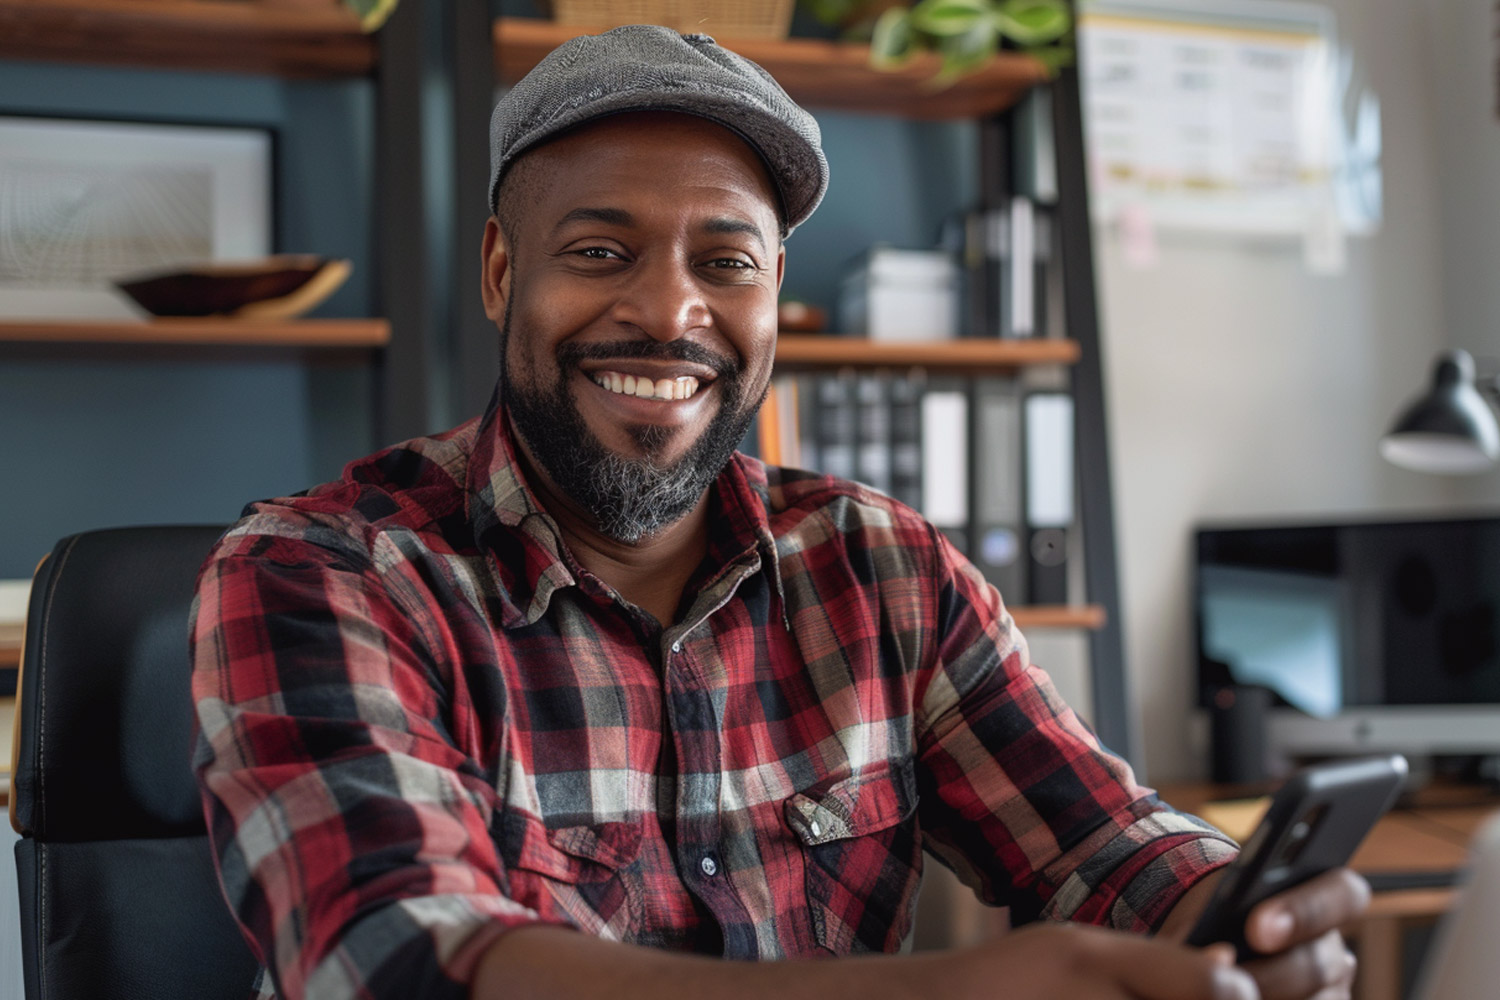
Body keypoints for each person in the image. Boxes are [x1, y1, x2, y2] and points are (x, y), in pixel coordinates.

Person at [191, 24, 1368, 1000]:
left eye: (727, 262)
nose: (668, 310)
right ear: (503, 272)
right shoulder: (323, 571)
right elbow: (402, 957)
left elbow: (1105, 840)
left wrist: (1238, 909)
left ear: (774, 298)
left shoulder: (882, 567)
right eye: (600, 250)